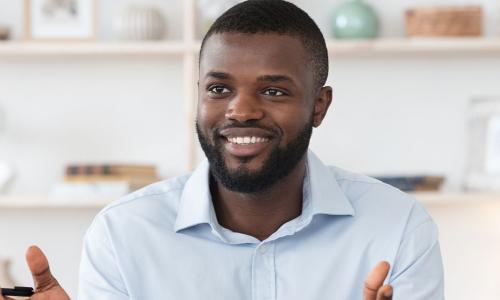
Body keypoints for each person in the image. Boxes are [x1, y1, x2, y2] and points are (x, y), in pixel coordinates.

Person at [0, 1, 444, 299]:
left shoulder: (398, 228)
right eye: (218, 87)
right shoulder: (122, 236)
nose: (241, 110)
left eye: (273, 90)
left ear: (319, 106)